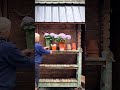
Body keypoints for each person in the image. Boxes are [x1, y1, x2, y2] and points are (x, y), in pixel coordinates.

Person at [0, 17, 34, 90]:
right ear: (5, 31)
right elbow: (27, 63)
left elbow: (3, 57)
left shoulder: (6, 48)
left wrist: (20, 53)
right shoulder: (7, 47)